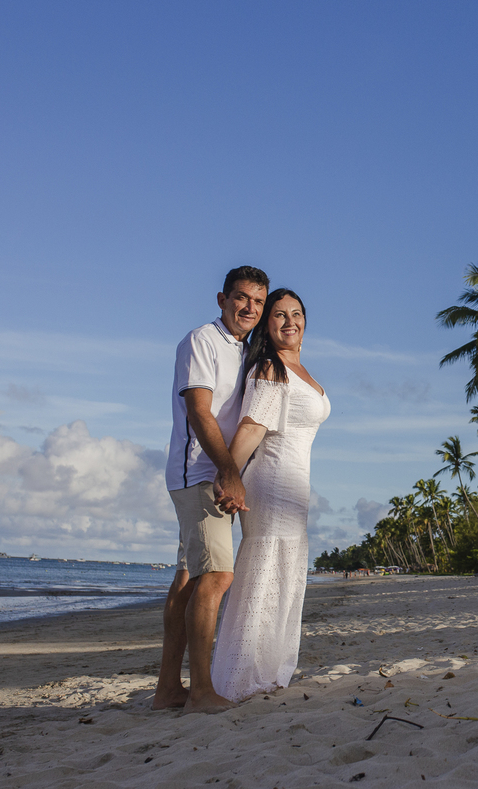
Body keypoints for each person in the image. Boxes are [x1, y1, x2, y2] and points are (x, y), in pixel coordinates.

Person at [152, 266, 269, 713]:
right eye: (241, 298)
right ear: (222, 299)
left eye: (257, 302)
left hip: (213, 474)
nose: (249, 308)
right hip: (200, 474)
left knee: (187, 579)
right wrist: (228, 472)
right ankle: (200, 691)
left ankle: (167, 691)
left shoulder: (244, 350)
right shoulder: (202, 340)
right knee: (217, 576)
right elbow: (199, 412)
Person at [211, 288, 330, 701]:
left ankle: (272, 671)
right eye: (278, 315)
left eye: (296, 314)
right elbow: (250, 428)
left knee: (286, 571)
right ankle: (241, 679)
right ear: (267, 325)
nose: (289, 322)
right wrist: (227, 476)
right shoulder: (269, 368)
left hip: (296, 487)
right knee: (264, 571)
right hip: (271, 482)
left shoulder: (299, 369)